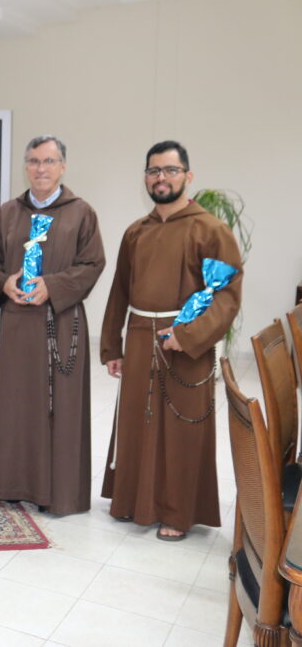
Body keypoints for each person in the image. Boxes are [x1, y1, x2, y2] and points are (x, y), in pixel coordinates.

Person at [101, 140, 242, 541]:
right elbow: (119, 291)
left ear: (188, 176)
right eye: (153, 171)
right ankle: (131, 501)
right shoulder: (136, 232)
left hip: (184, 343)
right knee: (137, 424)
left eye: (169, 170)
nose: (160, 178)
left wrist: (188, 335)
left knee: (180, 430)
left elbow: (228, 296)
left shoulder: (211, 230)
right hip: (141, 335)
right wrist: (113, 345)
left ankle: (178, 513)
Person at [0, 135, 105, 515]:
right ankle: (12, 483)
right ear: (26, 166)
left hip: (60, 324)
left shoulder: (81, 213)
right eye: (34, 161)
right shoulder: (8, 213)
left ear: (62, 166)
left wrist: (53, 286)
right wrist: (5, 282)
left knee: (59, 407)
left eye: (49, 161)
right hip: (16, 324)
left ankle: (57, 493)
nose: (41, 168)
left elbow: (92, 264)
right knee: (16, 404)